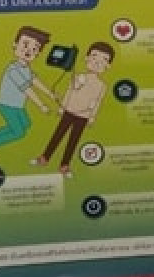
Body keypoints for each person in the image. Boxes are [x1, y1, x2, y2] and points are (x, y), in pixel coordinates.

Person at [30, 41, 114, 177]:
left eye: (103, 59)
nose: (97, 62)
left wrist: (92, 116)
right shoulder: (78, 76)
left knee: (73, 141)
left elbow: (97, 101)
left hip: (83, 116)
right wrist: (62, 107)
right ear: (86, 58)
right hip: (69, 111)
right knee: (57, 135)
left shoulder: (102, 85)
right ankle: (44, 158)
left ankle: (64, 166)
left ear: (108, 65)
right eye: (94, 56)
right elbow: (70, 92)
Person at [0, 25, 55, 159]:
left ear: (38, 53)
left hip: (18, 106)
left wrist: (50, 94)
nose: (28, 51)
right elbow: (27, 89)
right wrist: (41, 105)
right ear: (15, 45)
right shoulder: (13, 70)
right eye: (25, 45)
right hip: (6, 105)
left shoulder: (26, 68)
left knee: (26, 123)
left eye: (34, 49)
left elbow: (35, 81)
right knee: (19, 133)